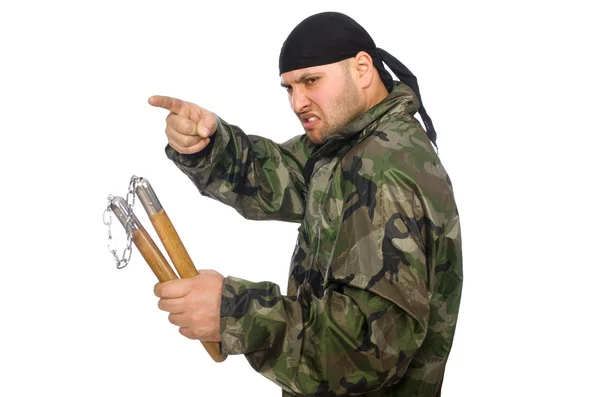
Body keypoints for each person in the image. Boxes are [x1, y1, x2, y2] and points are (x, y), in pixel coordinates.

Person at [148, 11, 462, 397]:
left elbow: (371, 348)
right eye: (289, 88)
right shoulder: (355, 144)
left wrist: (235, 312)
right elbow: (285, 175)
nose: (298, 102)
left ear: (362, 69)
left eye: (311, 81)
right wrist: (208, 144)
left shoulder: (384, 172)